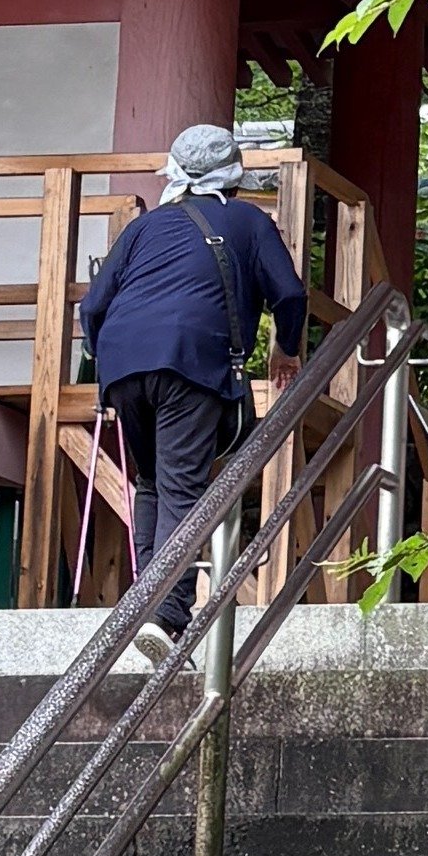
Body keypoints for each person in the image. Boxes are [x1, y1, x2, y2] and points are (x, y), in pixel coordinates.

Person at [78, 127, 309, 597]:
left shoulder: (144, 226)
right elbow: (289, 292)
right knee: (182, 488)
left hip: (123, 363)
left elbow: (93, 306)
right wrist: (286, 347)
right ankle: (164, 611)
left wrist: (104, 359)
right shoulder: (247, 221)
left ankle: (144, 601)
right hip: (191, 358)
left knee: (152, 482)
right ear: (235, 180)